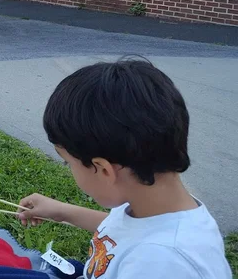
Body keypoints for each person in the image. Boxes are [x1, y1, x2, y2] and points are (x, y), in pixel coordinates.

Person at [17, 59, 231, 279]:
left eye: (67, 162)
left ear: (103, 169)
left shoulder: (164, 264)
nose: (68, 169)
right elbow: (125, 231)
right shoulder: (148, 200)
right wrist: (63, 212)